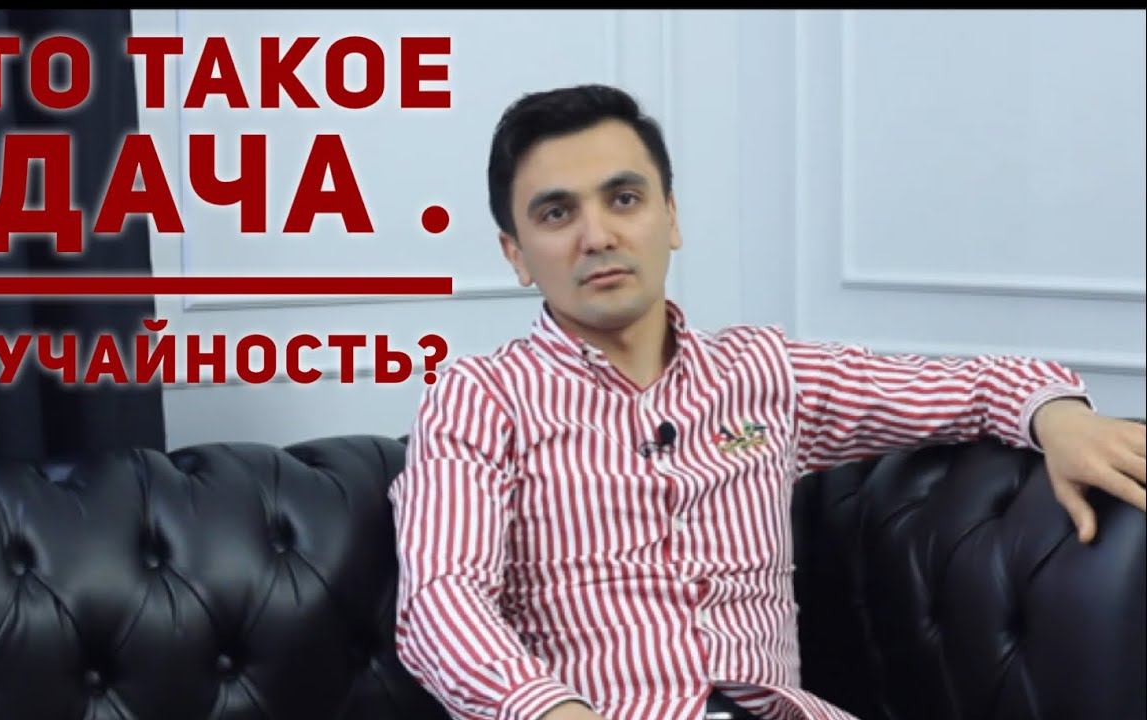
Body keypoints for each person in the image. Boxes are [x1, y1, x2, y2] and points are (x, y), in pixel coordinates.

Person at [386, 84, 1146, 720]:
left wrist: (1058, 417)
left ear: (670, 218)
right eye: (556, 214)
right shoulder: (479, 398)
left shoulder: (763, 372)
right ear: (515, 254)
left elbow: (970, 388)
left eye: (624, 198)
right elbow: (442, 603)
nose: (597, 235)